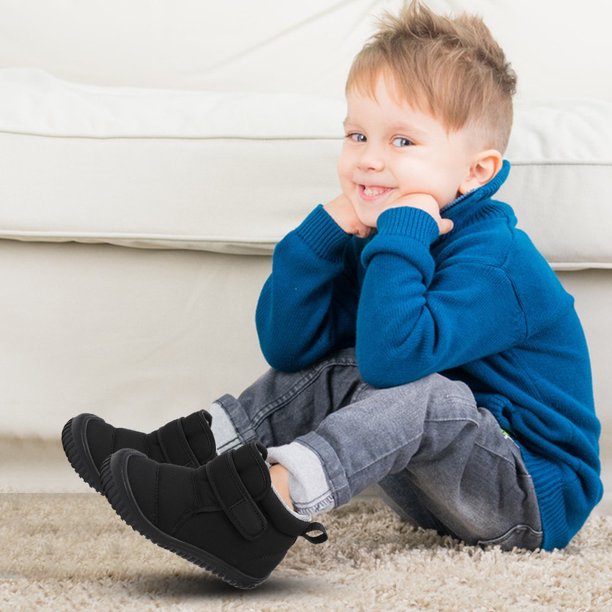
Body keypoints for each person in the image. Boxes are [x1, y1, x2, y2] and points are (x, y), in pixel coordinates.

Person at [62, 0, 602, 590]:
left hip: (525, 499)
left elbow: (395, 362)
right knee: (338, 364)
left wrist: (402, 236)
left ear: (475, 172)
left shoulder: (496, 262)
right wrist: (318, 238)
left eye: (402, 141)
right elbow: (292, 351)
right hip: (433, 481)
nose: (369, 159)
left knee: (424, 393)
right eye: (357, 134)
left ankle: (259, 514)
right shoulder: (380, 234)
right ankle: (193, 456)